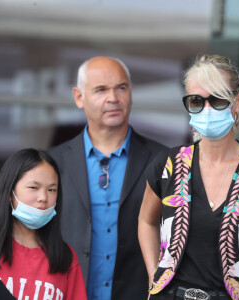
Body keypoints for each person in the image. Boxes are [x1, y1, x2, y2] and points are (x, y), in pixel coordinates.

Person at [138, 54, 239, 300]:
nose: (206, 109)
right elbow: (146, 222)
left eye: (216, 100)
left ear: (237, 102)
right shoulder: (168, 164)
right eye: (196, 101)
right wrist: (155, 277)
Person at [49, 56, 167, 300]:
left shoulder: (164, 161)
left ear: (131, 92)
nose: (113, 98)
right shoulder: (52, 163)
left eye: (121, 88)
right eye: (100, 89)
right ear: (79, 97)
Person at [0, 148, 87, 300]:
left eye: (52, 189)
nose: (43, 197)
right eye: (34, 187)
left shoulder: (65, 258)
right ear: (10, 192)